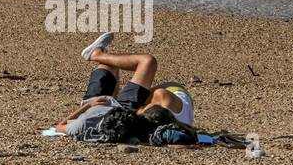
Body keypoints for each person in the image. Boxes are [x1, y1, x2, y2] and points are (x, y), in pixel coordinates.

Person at [54, 32, 195, 141]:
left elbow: (58, 127)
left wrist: (88, 106)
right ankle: (97, 55)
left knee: (108, 66)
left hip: (100, 105)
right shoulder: (139, 123)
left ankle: (97, 55)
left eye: (143, 107)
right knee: (147, 62)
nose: (141, 108)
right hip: (127, 112)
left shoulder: (84, 124)